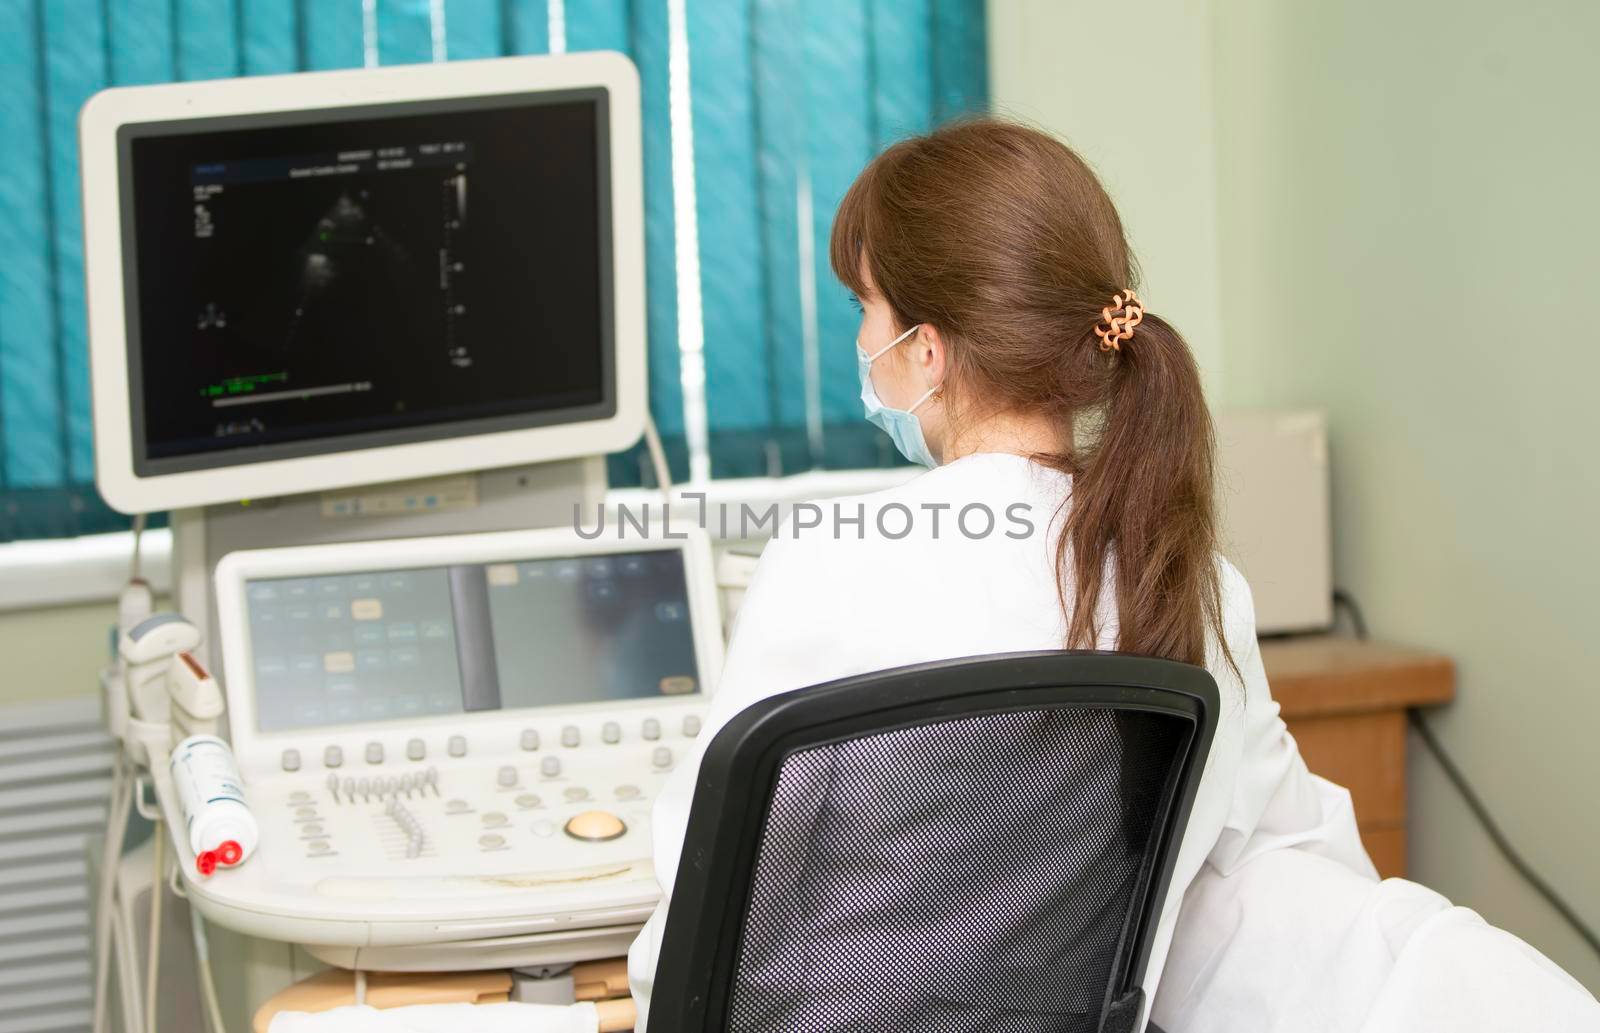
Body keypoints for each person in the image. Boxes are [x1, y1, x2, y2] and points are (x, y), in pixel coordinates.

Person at [626, 119, 1600, 1031]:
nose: (858, 345)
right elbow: (1287, 854)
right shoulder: (1186, 574)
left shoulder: (828, 561)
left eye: (863, 309)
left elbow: (707, 916)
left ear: (924, 353)